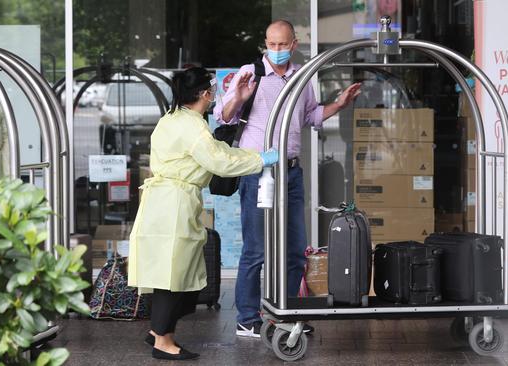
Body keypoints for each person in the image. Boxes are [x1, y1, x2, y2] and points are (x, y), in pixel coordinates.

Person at [212, 19, 362, 338]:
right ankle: (247, 316)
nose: (276, 51)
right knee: (257, 249)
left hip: (291, 172)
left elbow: (310, 115)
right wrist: (238, 96)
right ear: (265, 43)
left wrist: (339, 104)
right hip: (258, 172)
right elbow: (223, 116)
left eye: (282, 45)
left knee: (295, 249)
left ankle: (288, 311)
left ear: (294, 44)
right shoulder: (250, 73)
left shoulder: (301, 77)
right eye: (271, 44)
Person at [128, 67, 279, 361]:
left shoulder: (171, 119)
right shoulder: (193, 127)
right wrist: (260, 159)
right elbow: (220, 161)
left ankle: (159, 332)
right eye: (212, 90)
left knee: (171, 273)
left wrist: (251, 157)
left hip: (161, 203)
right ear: (204, 94)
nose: (214, 96)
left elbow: (216, 152)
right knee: (173, 276)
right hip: (174, 206)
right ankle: (163, 341)